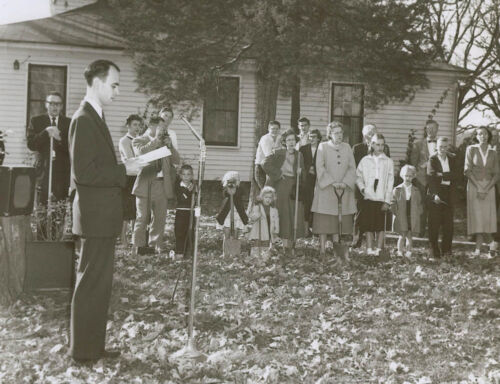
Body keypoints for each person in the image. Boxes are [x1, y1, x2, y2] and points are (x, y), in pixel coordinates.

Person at [68, 60, 146, 362]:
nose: (118, 90)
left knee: (99, 286)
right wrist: (124, 169)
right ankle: (82, 352)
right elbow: (84, 174)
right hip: (93, 217)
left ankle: (93, 346)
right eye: (114, 84)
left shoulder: (95, 116)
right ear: (98, 83)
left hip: (101, 216)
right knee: (89, 285)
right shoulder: (83, 119)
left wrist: (123, 169)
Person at [132, 115, 180, 255]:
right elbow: (141, 153)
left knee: (159, 219)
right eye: (161, 127)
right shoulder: (139, 140)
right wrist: (156, 140)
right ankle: (138, 248)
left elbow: (176, 160)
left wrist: (170, 146)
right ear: (152, 126)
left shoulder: (166, 141)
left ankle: (154, 247)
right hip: (145, 184)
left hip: (161, 185)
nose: (164, 130)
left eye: (165, 128)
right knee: (142, 217)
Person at [311, 122, 356, 258]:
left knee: (339, 219)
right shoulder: (323, 146)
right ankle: (323, 249)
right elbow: (320, 167)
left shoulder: (347, 147)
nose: (339, 136)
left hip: (343, 189)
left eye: (341, 133)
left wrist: (345, 182)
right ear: (330, 134)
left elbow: (352, 167)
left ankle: (337, 248)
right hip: (327, 189)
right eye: (336, 133)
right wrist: (331, 182)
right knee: (324, 220)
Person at [262, 129, 306, 251]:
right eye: (288, 140)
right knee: (280, 213)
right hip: (281, 185)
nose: (291, 142)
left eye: (293, 140)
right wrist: (278, 173)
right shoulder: (279, 152)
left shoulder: (299, 155)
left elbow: (303, 173)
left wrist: (301, 173)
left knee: (292, 214)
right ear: (284, 142)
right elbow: (265, 163)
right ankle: (273, 243)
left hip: (293, 187)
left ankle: (288, 244)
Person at [27, 91, 71, 204]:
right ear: (46, 105)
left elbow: (73, 148)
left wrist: (59, 139)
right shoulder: (36, 121)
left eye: (58, 104)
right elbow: (31, 144)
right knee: (42, 206)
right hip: (43, 172)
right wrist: (46, 132)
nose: (54, 106)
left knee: (59, 208)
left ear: (61, 106)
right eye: (51, 103)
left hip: (62, 173)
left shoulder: (69, 123)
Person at [351, 124, 390, 247]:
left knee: (377, 215)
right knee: (360, 215)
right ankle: (356, 240)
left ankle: (377, 244)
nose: (371, 135)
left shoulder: (385, 148)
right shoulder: (357, 148)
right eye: (368, 134)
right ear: (364, 136)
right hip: (362, 188)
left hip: (378, 187)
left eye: (373, 132)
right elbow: (354, 168)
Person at [356, 133, 394, 256]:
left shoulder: (388, 161)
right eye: (377, 144)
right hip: (369, 195)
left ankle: (379, 249)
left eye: (382, 145)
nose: (380, 147)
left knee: (380, 224)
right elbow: (358, 177)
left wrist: (387, 201)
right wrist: (362, 188)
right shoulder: (365, 160)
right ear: (372, 144)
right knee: (368, 224)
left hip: (381, 195)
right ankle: (369, 248)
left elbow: (390, 182)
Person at [464, 127, 499, 256]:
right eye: (479, 134)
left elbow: (496, 174)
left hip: (489, 188)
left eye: (484, 134)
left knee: (486, 219)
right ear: (476, 136)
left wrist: (487, 187)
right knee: (477, 218)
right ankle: (486, 247)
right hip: (474, 186)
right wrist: (479, 186)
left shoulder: (493, 152)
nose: (482, 136)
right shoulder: (471, 149)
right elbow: (467, 170)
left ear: (488, 136)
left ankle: (482, 249)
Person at [427, 137, 459, 258]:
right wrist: (435, 194)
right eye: (440, 146)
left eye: (445, 147)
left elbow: (456, 175)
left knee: (448, 225)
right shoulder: (433, 159)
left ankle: (446, 250)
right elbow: (431, 177)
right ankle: (433, 251)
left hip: (449, 193)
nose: (442, 149)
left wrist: (442, 175)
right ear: (437, 147)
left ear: (448, 147)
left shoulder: (452, 158)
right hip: (436, 192)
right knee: (434, 224)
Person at [410, 119, 440, 236]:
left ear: (437, 129)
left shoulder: (440, 144)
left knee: (435, 207)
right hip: (422, 180)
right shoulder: (418, 144)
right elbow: (413, 163)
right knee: (421, 206)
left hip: (436, 180)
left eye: (434, 128)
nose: (431, 131)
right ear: (426, 129)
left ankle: (433, 233)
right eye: (429, 128)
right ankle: (420, 232)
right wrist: (417, 177)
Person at [118, 114, 142, 245]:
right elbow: (130, 158)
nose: (137, 127)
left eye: (139, 125)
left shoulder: (141, 140)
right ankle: (123, 239)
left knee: (137, 208)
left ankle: (135, 238)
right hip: (128, 177)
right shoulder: (124, 141)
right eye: (134, 125)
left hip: (139, 176)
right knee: (127, 209)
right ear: (128, 126)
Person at [391, 165, 422, 257]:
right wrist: (396, 212)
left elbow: (419, 203)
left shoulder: (416, 190)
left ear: (413, 177)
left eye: (410, 176)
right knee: (402, 234)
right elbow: (392, 202)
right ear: (402, 176)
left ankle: (408, 252)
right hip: (401, 215)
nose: (408, 178)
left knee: (409, 235)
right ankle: (400, 251)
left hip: (412, 214)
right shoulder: (397, 189)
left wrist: (418, 212)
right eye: (406, 176)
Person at [215, 171, 249, 256]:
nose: (231, 184)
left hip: (237, 214)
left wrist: (235, 188)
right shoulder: (226, 190)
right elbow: (225, 193)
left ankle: (234, 252)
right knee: (226, 234)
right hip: (227, 215)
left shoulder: (239, 190)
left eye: (234, 182)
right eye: (229, 182)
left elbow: (240, 193)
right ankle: (225, 252)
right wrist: (228, 187)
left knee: (236, 234)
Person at [299, 129, 322, 230]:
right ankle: (305, 227)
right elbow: (300, 162)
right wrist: (307, 170)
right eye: (310, 137)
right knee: (307, 201)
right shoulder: (303, 149)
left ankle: (316, 226)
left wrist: (316, 170)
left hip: (318, 178)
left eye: (314, 137)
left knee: (317, 200)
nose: (312, 139)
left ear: (318, 138)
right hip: (306, 178)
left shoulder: (322, 148)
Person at [174, 164, 195, 259]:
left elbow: (198, 199)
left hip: (191, 212)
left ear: (192, 176)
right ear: (180, 176)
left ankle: (188, 252)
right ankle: (179, 252)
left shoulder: (194, 187)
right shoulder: (178, 186)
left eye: (188, 174)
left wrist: (195, 192)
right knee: (180, 232)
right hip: (181, 212)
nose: (186, 177)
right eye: (184, 174)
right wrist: (188, 191)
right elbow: (182, 198)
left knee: (190, 231)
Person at [254, 121, 282, 189]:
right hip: (261, 168)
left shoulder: (279, 138)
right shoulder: (265, 139)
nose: (275, 130)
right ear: (268, 129)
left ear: (279, 129)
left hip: (273, 168)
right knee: (266, 192)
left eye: (277, 129)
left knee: (273, 192)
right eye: (273, 129)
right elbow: (269, 156)